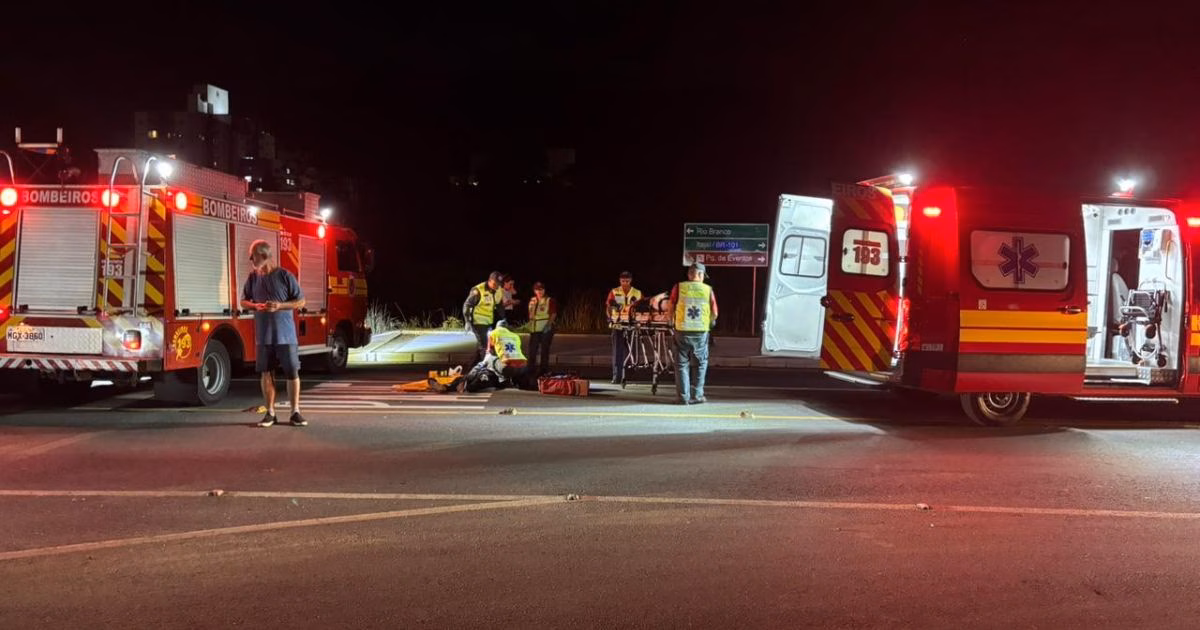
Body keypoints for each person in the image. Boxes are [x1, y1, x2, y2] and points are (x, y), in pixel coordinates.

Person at [241, 239, 307, 427]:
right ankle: (270, 413)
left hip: (286, 335)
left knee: (292, 372)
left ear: (263, 256)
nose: (250, 259)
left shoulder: (285, 276)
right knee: (266, 373)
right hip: (264, 336)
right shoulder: (253, 278)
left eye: (252, 256)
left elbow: (301, 301)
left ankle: (295, 412)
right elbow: (243, 301)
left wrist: (280, 305)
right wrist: (255, 305)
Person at [668, 262, 718, 405]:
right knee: (701, 364)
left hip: (682, 330)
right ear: (700, 275)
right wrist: (710, 322)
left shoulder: (679, 287)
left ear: (689, 274)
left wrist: (670, 321)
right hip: (700, 332)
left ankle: (683, 397)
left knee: (681, 364)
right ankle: (697, 395)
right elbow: (715, 312)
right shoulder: (708, 290)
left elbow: (671, 306)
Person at [464, 320, 529, 392]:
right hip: (523, 366)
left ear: (497, 327)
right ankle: (513, 382)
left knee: (489, 358)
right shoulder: (515, 336)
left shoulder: (492, 333)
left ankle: (470, 378)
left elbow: (489, 352)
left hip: (507, 367)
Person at [605, 271, 642, 384]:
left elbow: (642, 309)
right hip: (618, 324)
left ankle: (630, 374)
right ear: (619, 281)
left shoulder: (637, 293)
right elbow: (608, 307)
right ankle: (617, 376)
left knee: (632, 350)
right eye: (622, 281)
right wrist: (610, 317)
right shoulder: (614, 292)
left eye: (627, 281)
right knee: (617, 351)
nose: (625, 283)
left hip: (632, 325)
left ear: (631, 280)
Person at [463, 271, 504, 364]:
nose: (496, 286)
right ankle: (485, 370)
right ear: (490, 281)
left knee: (486, 346)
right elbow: (467, 305)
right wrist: (467, 321)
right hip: (478, 321)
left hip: (489, 321)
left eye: (498, 284)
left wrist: (503, 320)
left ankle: (472, 369)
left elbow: (499, 306)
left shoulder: (498, 290)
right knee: (485, 347)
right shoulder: (478, 290)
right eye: (495, 284)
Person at [526, 281, 558, 376]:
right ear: (534, 291)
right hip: (535, 329)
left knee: (544, 350)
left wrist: (548, 326)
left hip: (546, 329)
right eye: (537, 290)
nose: (539, 291)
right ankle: (530, 370)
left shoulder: (549, 300)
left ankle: (543, 370)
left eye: (541, 289)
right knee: (532, 350)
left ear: (544, 290)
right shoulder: (532, 300)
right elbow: (530, 315)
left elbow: (553, 314)